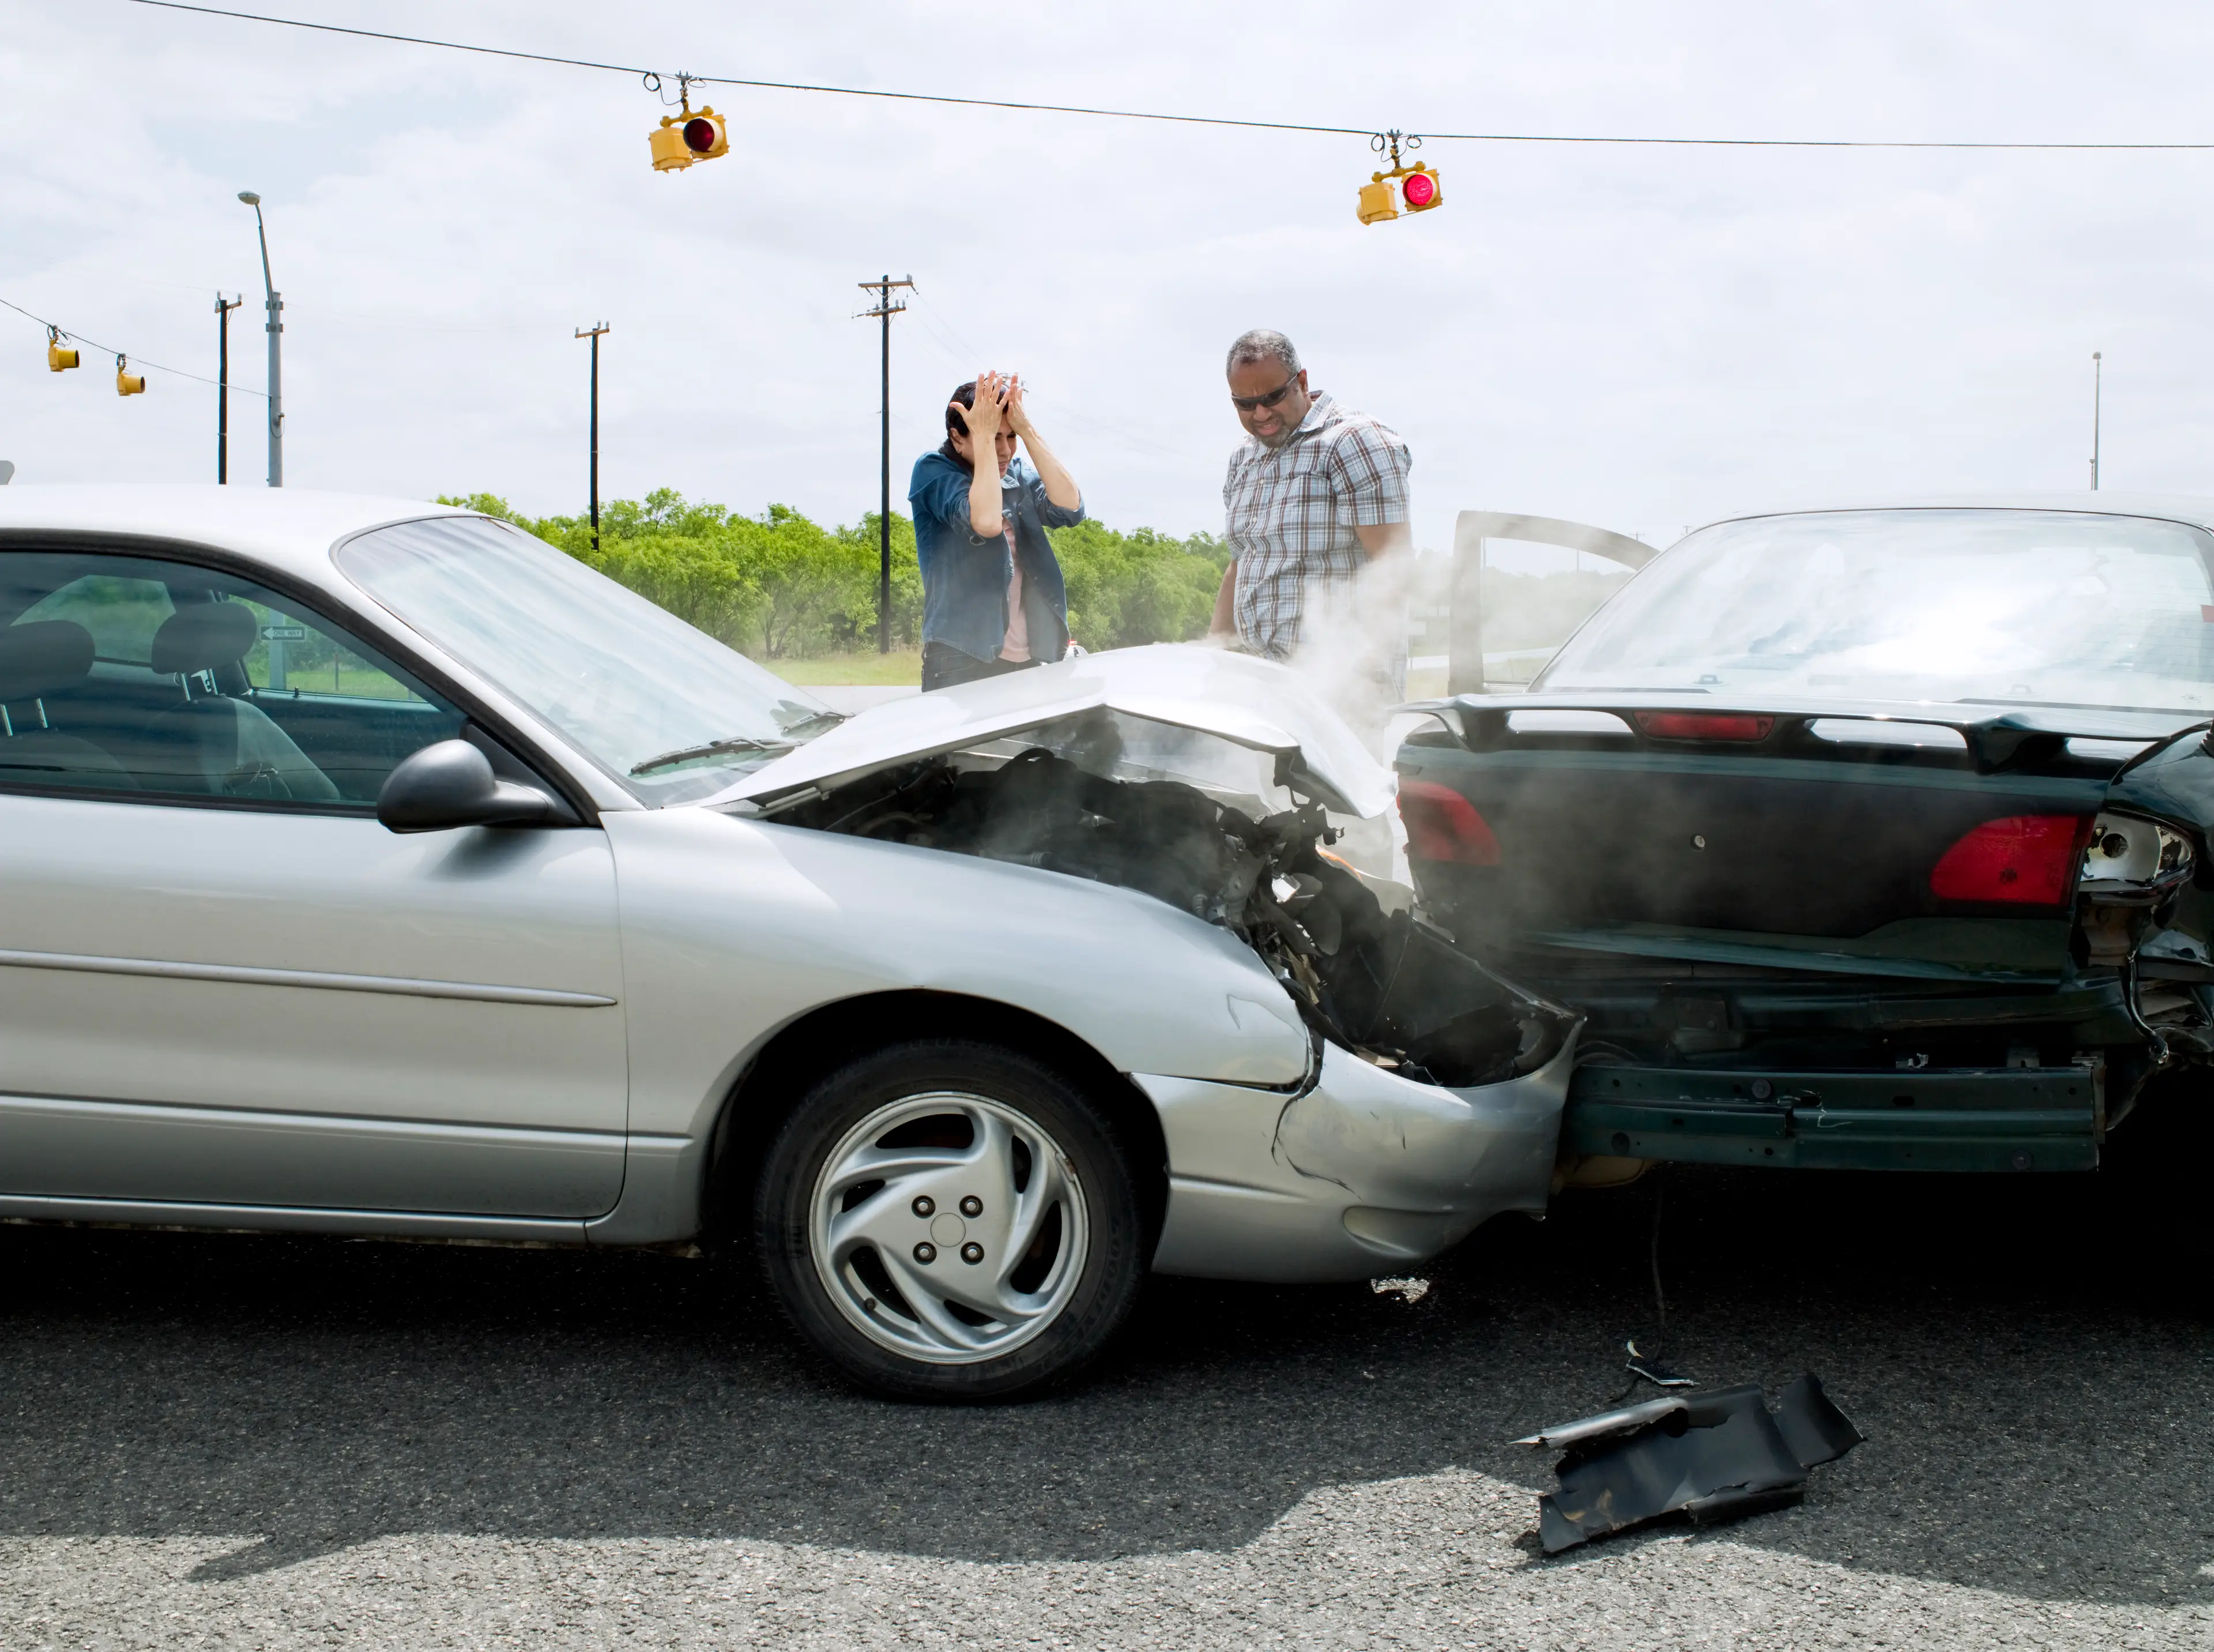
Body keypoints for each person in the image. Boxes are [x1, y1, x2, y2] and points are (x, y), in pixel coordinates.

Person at [1209, 330, 1413, 666]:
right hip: (1258, 681)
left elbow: (1393, 570)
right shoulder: (1242, 459)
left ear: (1301, 382)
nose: (1260, 414)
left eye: (1272, 398)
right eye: (1245, 404)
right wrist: (1214, 659)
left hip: (1336, 683)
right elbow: (1238, 565)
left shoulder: (1354, 442)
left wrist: (1353, 675)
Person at [908, 371, 1086, 691]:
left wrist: (1027, 430)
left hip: (1029, 657)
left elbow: (1070, 508)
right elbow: (986, 522)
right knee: (967, 746)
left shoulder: (1017, 474)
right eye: (992, 438)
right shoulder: (933, 471)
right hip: (960, 658)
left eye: (1010, 437)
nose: (1005, 451)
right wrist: (985, 430)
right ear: (957, 437)